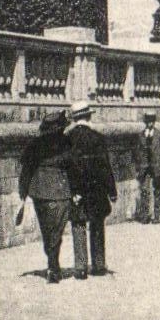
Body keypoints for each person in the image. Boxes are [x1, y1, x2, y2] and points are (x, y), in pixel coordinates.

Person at [63, 100, 117, 279]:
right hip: (96, 190)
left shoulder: (67, 140)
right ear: (88, 116)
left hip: (76, 190)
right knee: (97, 225)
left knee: (78, 225)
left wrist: (73, 189)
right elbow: (105, 167)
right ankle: (99, 264)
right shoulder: (98, 138)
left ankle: (80, 267)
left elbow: (67, 167)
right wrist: (112, 190)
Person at [18, 110, 72, 284]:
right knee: (56, 231)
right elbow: (74, 167)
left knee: (47, 231)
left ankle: (52, 264)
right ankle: (53, 266)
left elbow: (26, 171)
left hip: (39, 192)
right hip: (60, 191)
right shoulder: (66, 143)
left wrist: (23, 193)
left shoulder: (35, 144)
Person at [137, 110, 160, 224]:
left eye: (152, 121)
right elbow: (137, 152)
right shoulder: (141, 135)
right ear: (145, 122)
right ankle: (145, 215)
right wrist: (138, 167)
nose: (150, 123)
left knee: (158, 190)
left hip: (156, 166)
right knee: (145, 190)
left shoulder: (159, 135)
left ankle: (157, 215)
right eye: (148, 121)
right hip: (144, 166)